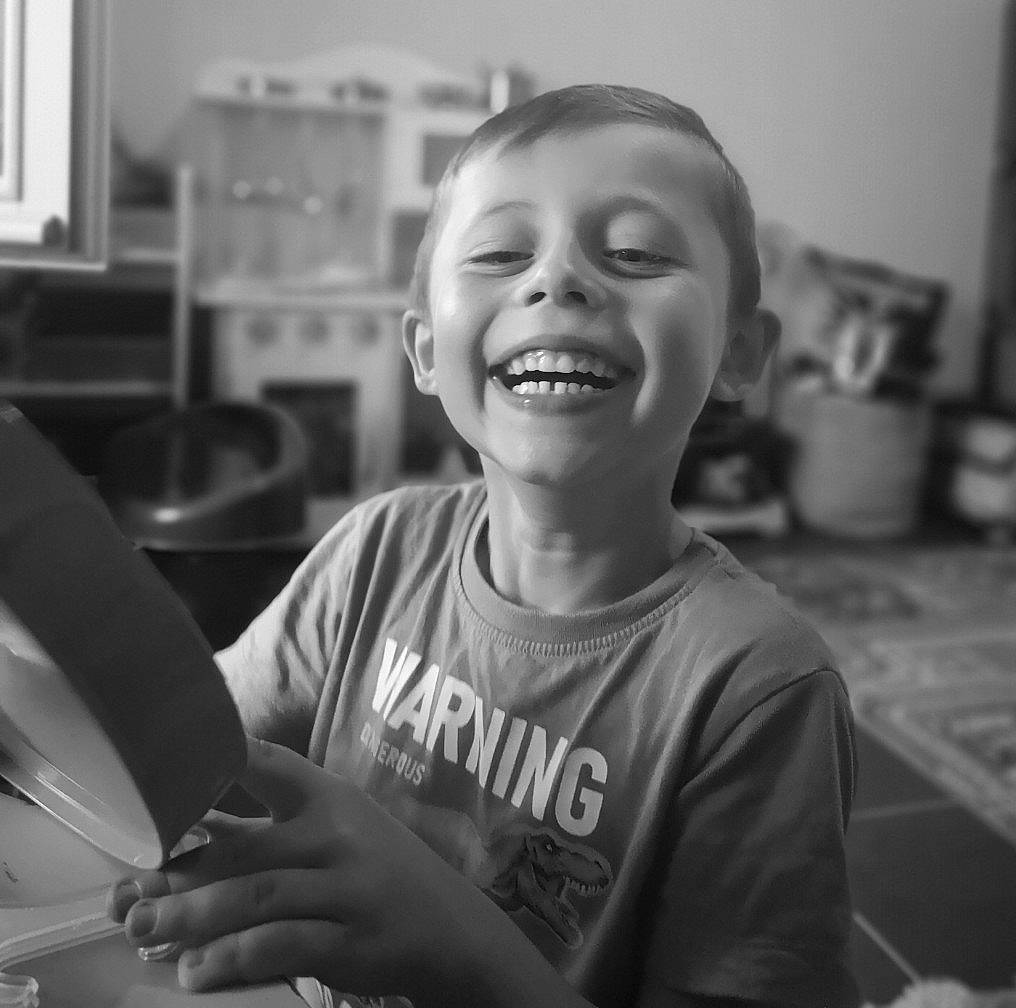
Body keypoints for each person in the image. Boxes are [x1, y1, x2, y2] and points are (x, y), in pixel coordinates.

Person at [107, 84, 859, 1008]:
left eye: (633, 252)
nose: (559, 281)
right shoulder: (377, 550)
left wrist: (457, 939)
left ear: (740, 352)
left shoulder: (758, 690)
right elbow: (193, 744)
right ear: (425, 349)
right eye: (502, 253)